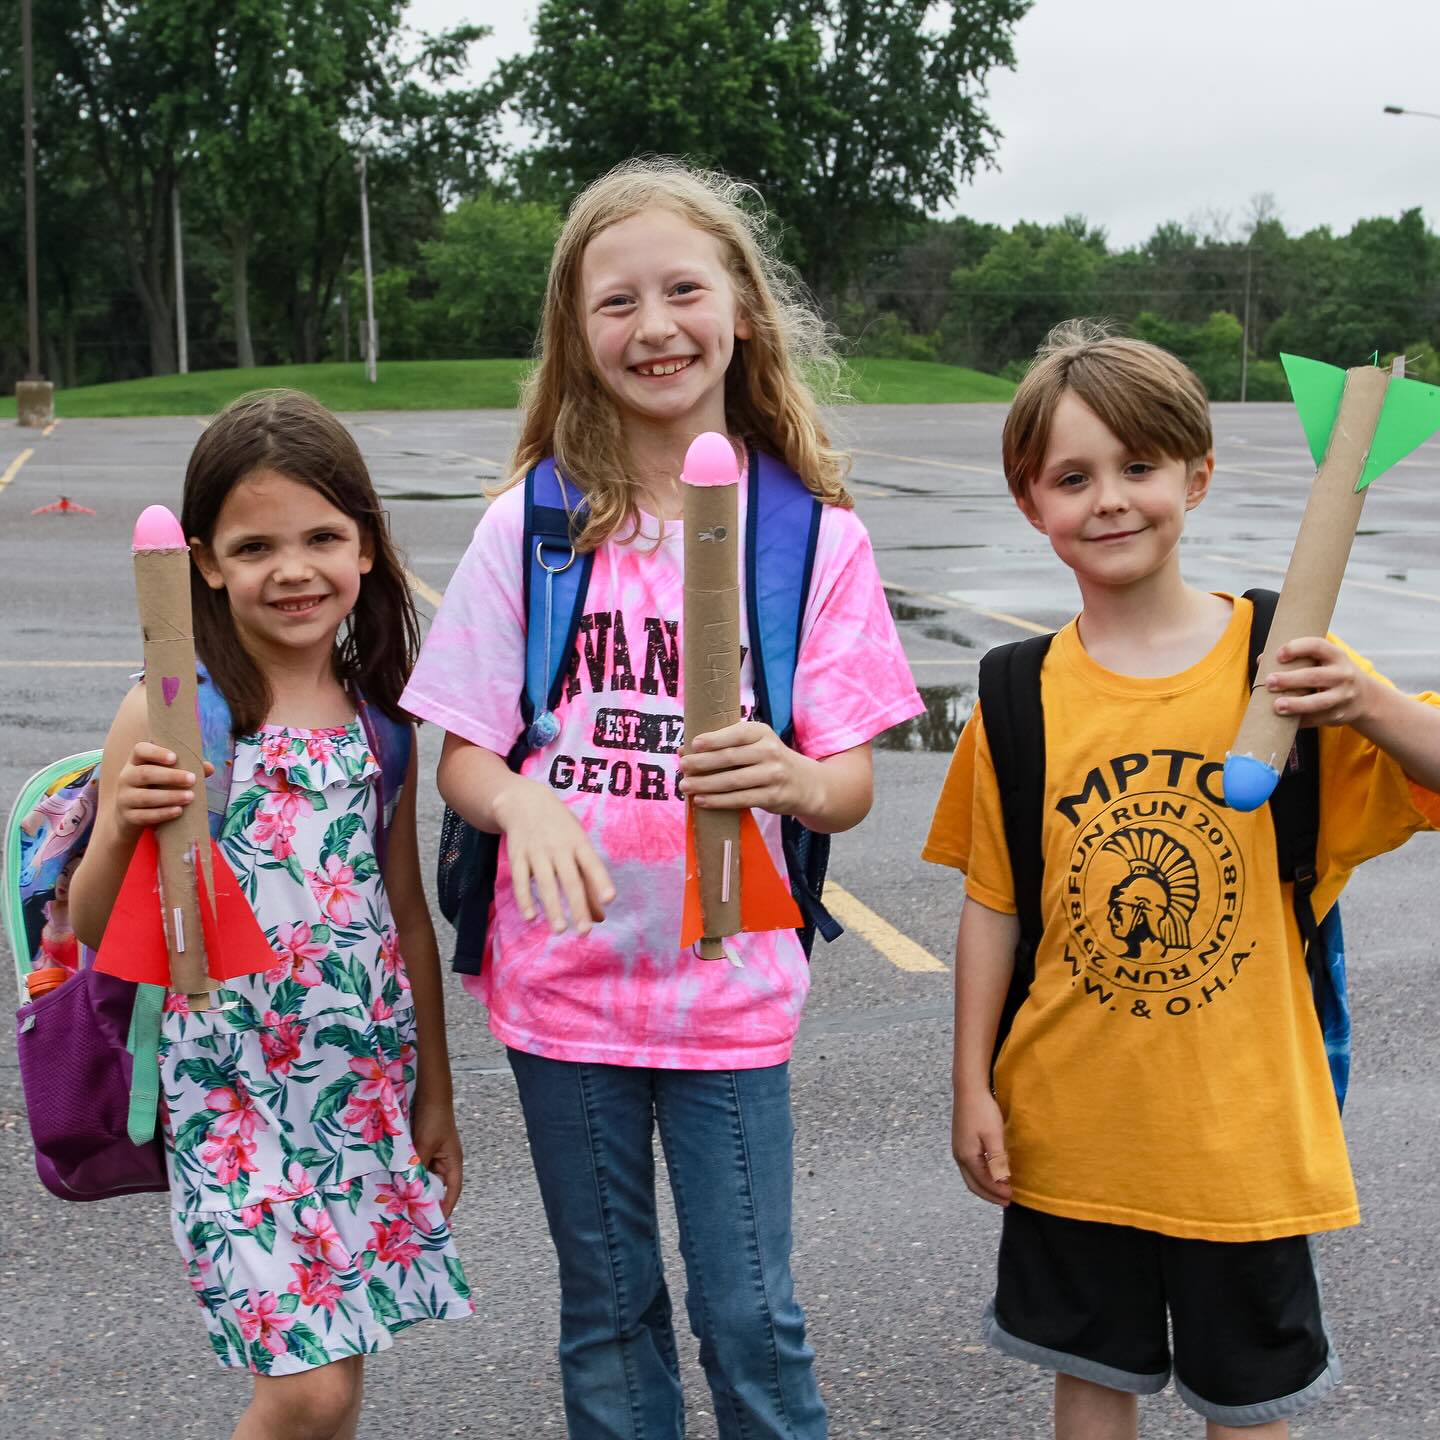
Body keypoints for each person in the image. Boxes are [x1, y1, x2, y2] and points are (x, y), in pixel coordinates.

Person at [402, 157, 922, 1438]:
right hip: (562, 988)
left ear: (740, 303)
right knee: (609, 1311)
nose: (655, 325)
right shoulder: (531, 525)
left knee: (750, 1316)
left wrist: (795, 778)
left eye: (683, 289)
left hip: (727, 992)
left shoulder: (812, 535)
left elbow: (849, 783)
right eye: (617, 301)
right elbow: (463, 754)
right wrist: (518, 804)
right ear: (574, 334)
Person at [923, 322, 1440, 1440]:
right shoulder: (1015, 696)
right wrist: (972, 1086)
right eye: (1073, 477)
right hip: (1071, 1128)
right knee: (1088, 1380)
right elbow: (994, 906)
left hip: (1240, 1137)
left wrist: (1368, 703)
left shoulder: (1286, 664)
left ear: (1197, 476)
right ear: (1030, 501)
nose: (1110, 500)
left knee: (1249, 1408)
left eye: (1139, 466)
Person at [70, 390, 472, 1440]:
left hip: (358, 1092)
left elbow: (405, 917)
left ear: (367, 546)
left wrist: (434, 1092)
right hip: (230, 1100)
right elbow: (94, 923)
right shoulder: (172, 712)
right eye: (256, 547)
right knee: (307, 1390)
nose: (294, 569)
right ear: (205, 564)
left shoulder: (382, 722)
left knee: (338, 1370)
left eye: (321, 538)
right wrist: (120, 826)